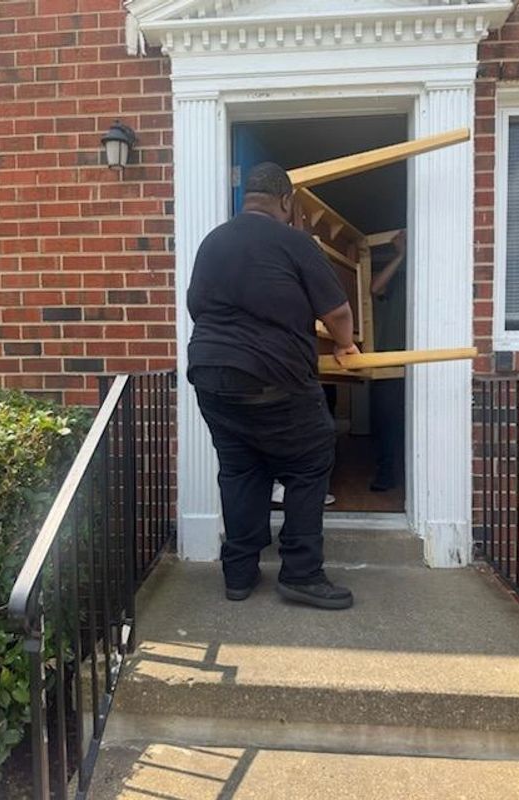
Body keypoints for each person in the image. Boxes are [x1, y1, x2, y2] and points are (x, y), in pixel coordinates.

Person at [187, 162, 359, 609]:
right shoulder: (294, 242)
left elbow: (197, 307)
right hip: (273, 380)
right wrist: (346, 346)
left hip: (210, 377)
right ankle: (301, 574)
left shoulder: (212, 242)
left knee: (242, 469)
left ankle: (239, 575)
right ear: (286, 201)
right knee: (309, 460)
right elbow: (337, 312)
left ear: (249, 198)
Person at [369, 230, 406, 492]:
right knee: (386, 420)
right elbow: (375, 287)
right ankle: (386, 473)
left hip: (423, 362)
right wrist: (401, 255)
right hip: (390, 359)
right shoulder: (398, 275)